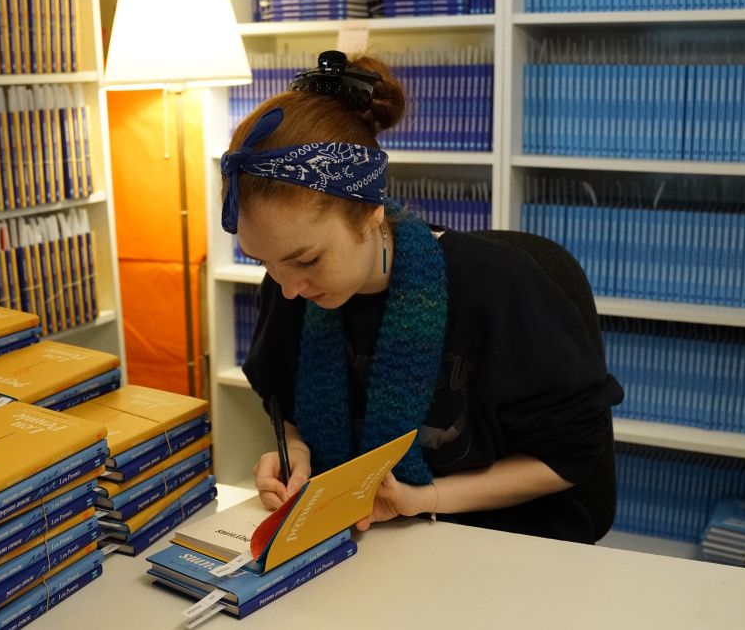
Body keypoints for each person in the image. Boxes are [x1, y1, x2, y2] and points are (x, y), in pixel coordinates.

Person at [220, 50, 625, 544]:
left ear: (371, 211)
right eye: (263, 262)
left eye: (307, 260)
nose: (287, 288)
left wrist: (425, 498)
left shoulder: (498, 287)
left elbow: (570, 458)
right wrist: (295, 450)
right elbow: (283, 404)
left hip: (492, 543)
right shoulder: (289, 289)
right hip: (352, 537)